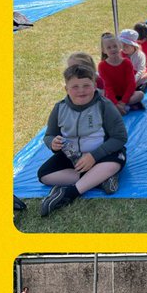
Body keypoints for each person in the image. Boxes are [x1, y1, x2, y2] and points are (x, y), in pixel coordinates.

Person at [37, 61, 128, 217]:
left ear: (94, 85)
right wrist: (52, 143)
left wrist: (93, 156)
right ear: (66, 89)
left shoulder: (104, 105)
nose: (81, 91)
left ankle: (70, 193)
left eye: (86, 85)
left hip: (103, 155)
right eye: (75, 87)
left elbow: (120, 137)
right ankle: (100, 180)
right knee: (44, 175)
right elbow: (49, 135)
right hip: (73, 157)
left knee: (113, 164)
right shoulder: (59, 108)